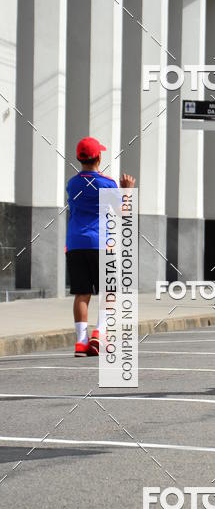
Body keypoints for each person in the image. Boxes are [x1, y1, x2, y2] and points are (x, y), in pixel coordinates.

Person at [66, 136, 136, 357]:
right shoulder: (107, 183)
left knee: (81, 294)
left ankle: (80, 342)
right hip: (102, 244)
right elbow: (123, 213)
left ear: (79, 158)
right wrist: (127, 191)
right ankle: (100, 333)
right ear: (99, 157)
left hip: (75, 243)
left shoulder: (72, 183)